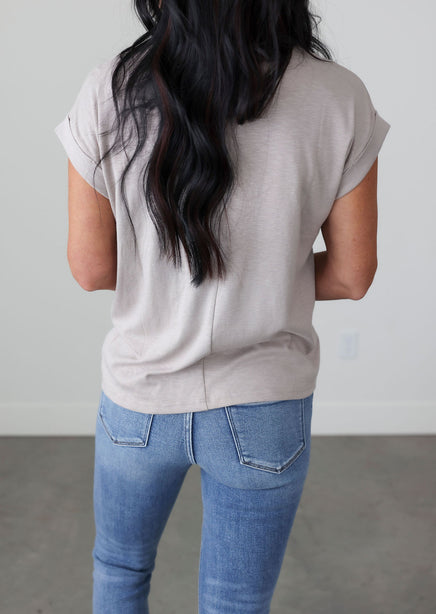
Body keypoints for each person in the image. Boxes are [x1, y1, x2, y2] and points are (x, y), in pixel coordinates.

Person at [54, 1, 391, 612]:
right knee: (237, 601)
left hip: (140, 399)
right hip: (266, 404)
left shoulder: (111, 89)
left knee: (120, 570)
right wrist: (267, 282)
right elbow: (351, 276)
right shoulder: (338, 96)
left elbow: (91, 267)